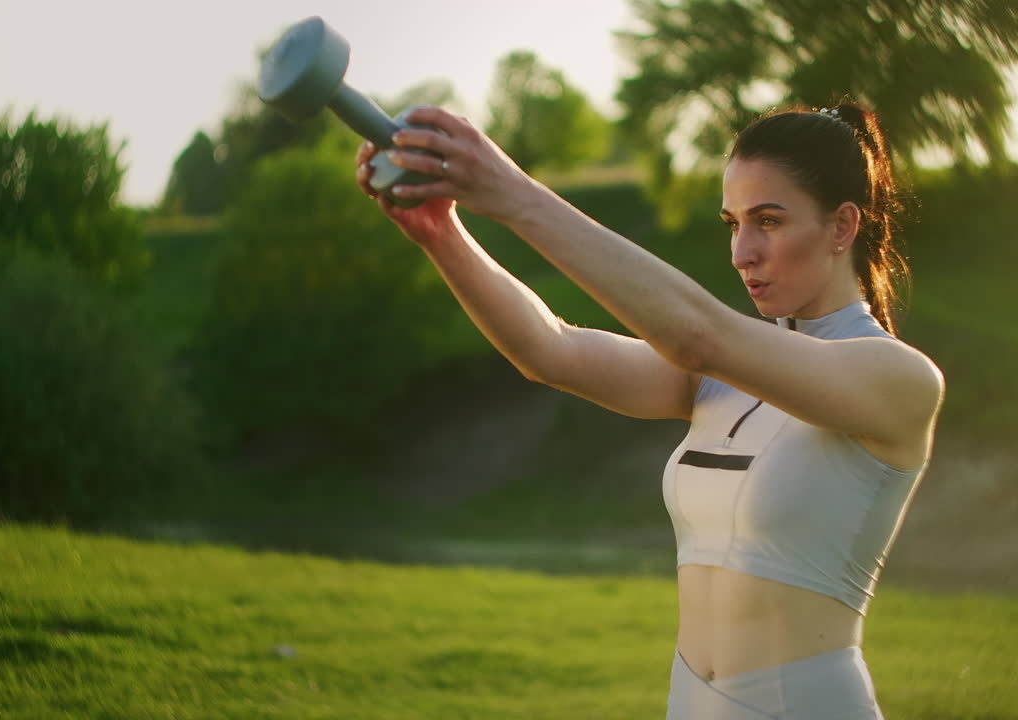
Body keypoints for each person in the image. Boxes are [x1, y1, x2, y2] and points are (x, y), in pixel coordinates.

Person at [354, 101, 943, 720]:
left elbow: (696, 333)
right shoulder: (722, 373)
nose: (742, 251)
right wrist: (442, 235)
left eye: (768, 221)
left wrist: (507, 189)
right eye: (733, 223)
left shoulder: (897, 377)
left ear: (843, 226)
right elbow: (550, 349)